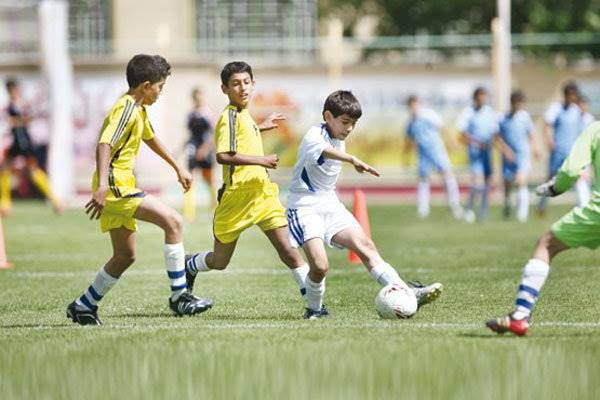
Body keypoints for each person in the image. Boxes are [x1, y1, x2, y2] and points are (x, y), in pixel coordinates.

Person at [66, 54, 212, 326]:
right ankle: (180, 296)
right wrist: (100, 187)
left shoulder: (138, 108)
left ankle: (83, 305)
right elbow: (104, 144)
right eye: (160, 87)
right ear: (146, 85)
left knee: (125, 256)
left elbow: (151, 138)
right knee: (174, 221)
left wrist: (177, 167)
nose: (160, 92)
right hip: (116, 187)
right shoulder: (125, 109)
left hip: (119, 186)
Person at [286, 90, 443, 319]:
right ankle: (314, 308)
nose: (349, 128)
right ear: (328, 116)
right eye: (345, 122)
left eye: (354, 124)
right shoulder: (314, 135)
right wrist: (352, 159)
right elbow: (323, 151)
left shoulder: (339, 139)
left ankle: (406, 291)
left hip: (330, 203)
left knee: (365, 245)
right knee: (320, 266)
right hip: (304, 206)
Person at [184, 61, 310, 303]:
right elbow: (223, 155)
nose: (242, 88)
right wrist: (261, 160)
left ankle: (315, 306)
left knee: (289, 252)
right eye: (235, 84)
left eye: (246, 82)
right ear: (224, 89)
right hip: (237, 197)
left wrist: (259, 127)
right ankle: (191, 265)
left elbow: (243, 136)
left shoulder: (244, 114)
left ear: (253, 84)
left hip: (263, 194)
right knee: (220, 262)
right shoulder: (228, 116)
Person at [486, 121, 600, 336]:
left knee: (546, 244)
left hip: (598, 213)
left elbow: (571, 169)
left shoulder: (595, 130)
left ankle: (520, 315)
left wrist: (557, 187)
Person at [1, 78, 63, 215]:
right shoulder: (11, 104)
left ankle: (55, 200)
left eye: (12, 90)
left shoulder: (21, 104)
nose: (12, 92)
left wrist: (14, 121)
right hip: (15, 142)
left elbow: (27, 119)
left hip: (23, 142)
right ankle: (5, 205)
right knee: (5, 170)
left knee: (33, 171)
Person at [404, 95, 462, 219]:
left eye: (415, 105)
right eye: (411, 106)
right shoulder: (410, 122)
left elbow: (442, 128)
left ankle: (454, 205)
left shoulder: (428, 115)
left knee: (448, 175)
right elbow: (409, 140)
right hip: (423, 154)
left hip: (436, 150)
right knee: (423, 179)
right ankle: (423, 209)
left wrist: (452, 142)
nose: (413, 108)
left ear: (418, 104)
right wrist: (406, 157)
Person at [538, 81, 587, 215]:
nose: (572, 97)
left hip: (572, 151)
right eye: (570, 95)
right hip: (558, 151)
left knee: (578, 176)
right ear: (565, 95)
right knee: (551, 178)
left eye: (574, 95)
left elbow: (580, 129)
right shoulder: (556, 108)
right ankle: (541, 205)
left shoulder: (576, 110)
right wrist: (549, 141)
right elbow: (547, 125)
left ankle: (582, 206)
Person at [457, 87, 499, 223]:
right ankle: (469, 209)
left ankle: (483, 211)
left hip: (487, 153)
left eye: (484, 97)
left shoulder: (489, 112)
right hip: (475, 153)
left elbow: (494, 132)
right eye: (480, 98)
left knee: (487, 182)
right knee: (477, 181)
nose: (482, 100)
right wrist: (476, 142)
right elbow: (462, 134)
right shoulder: (468, 113)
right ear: (475, 99)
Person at [498, 90, 536, 222]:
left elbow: (531, 134)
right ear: (512, 103)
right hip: (508, 156)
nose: (519, 107)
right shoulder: (503, 118)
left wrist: (533, 149)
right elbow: (497, 137)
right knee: (508, 183)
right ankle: (507, 203)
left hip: (522, 154)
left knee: (521, 182)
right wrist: (505, 150)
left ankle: (522, 214)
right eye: (517, 104)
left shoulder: (524, 117)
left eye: (521, 104)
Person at [183, 87, 216, 221]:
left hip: (205, 150)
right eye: (195, 97)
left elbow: (214, 134)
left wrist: (205, 149)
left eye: (200, 96)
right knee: (189, 180)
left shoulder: (208, 113)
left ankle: (214, 208)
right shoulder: (190, 114)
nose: (198, 99)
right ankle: (189, 212)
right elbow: (189, 135)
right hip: (192, 148)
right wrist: (180, 149)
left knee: (209, 180)